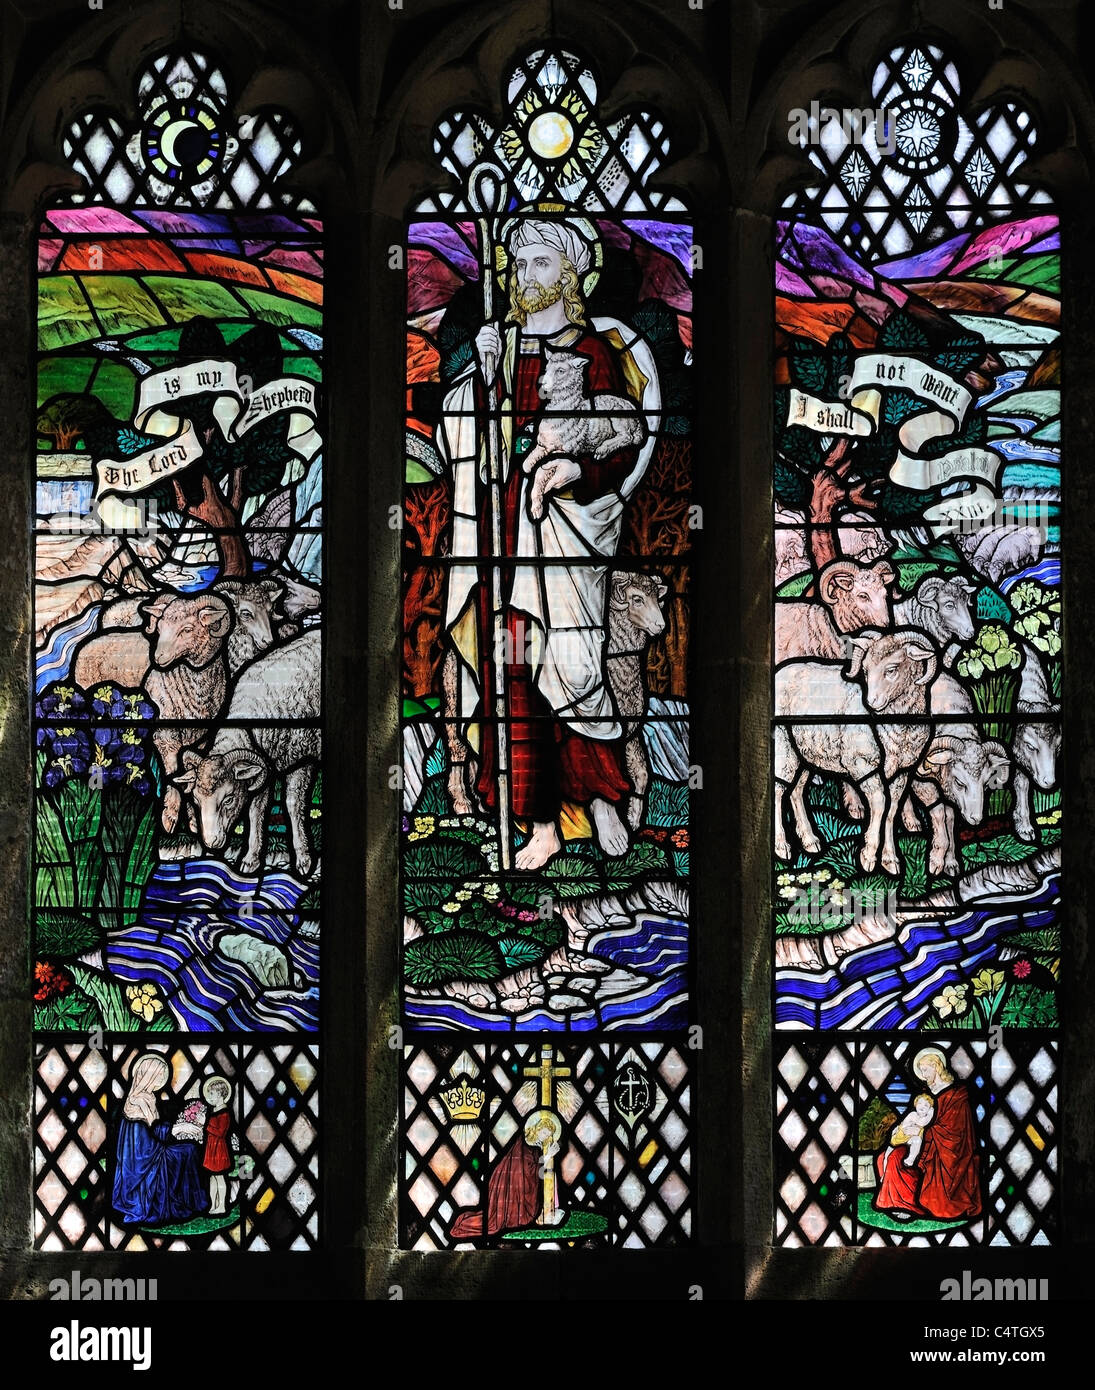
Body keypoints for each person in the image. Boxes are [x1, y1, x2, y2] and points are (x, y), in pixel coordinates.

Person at [438, 214, 656, 870]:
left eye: (536, 264)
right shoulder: (494, 346)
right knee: (512, 677)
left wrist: (577, 471)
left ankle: (597, 795)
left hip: (564, 545)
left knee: (573, 670)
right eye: (514, 264)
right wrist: (476, 383)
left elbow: (621, 446)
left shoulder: (590, 353)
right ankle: (537, 822)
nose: (521, 277)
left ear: (567, 274)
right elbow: (466, 443)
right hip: (502, 545)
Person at [112, 1052, 209, 1226]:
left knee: (189, 1149)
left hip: (153, 1151)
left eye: (163, 1078)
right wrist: (179, 1128)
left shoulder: (148, 1097)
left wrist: (178, 1128)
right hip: (145, 1162)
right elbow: (146, 1142)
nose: (162, 1082)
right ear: (148, 1077)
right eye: (158, 1077)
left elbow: (155, 1130)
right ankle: (185, 1203)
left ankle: (192, 1203)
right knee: (188, 1151)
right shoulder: (137, 1101)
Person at [912, 1049, 982, 1220]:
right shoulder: (927, 1091)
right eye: (921, 1070)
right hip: (934, 1141)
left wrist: (930, 1128)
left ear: (936, 1067)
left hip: (951, 1144)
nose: (923, 1074)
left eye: (926, 1069)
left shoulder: (956, 1094)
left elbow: (958, 1126)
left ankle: (951, 1205)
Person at [874, 1093, 934, 1218]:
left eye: (927, 1105)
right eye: (920, 1103)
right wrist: (930, 1112)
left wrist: (931, 1111)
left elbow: (923, 1124)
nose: (922, 1107)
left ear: (929, 1109)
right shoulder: (913, 1115)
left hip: (910, 1141)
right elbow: (914, 1124)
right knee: (885, 1157)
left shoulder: (925, 1121)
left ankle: (910, 1159)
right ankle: (884, 1177)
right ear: (915, 1104)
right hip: (899, 1138)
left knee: (916, 1141)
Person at [200, 1075, 233, 1216]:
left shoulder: (225, 1113)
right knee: (212, 1178)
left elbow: (220, 1133)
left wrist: (204, 1124)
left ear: (220, 1095)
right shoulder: (213, 1111)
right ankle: (213, 1205)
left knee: (220, 1178)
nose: (209, 1097)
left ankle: (222, 1206)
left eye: (212, 1094)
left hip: (219, 1149)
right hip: (211, 1149)